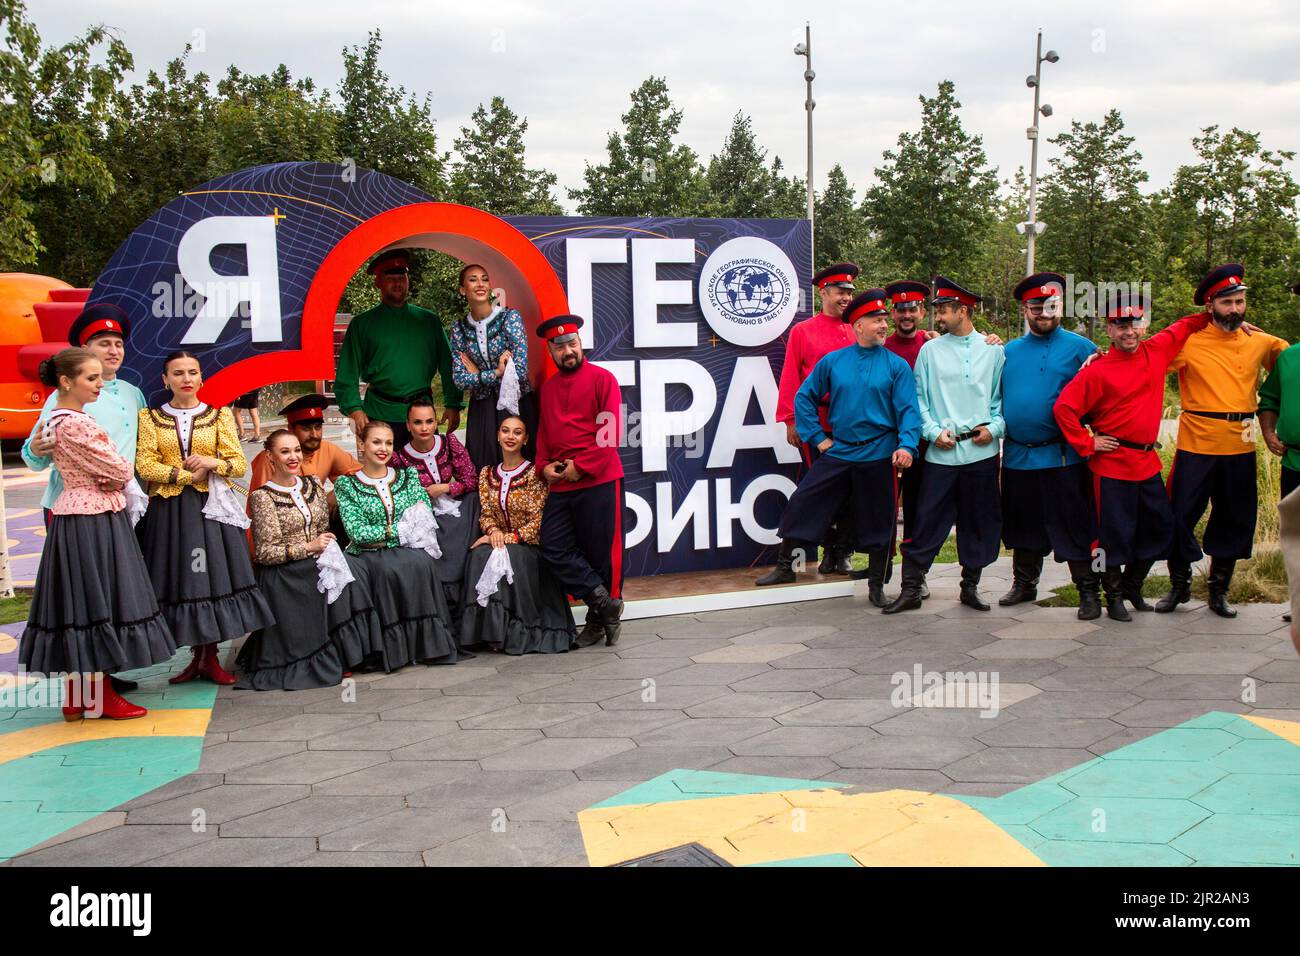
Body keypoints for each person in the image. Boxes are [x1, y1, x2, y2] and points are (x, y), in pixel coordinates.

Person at [20, 348, 176, 720]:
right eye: (91, 378)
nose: (99, 384)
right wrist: (114, 471)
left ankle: (78, 697)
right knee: (101, 599)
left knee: (80, 602)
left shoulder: (60, 418)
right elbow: (121, 469)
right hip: (94, 516)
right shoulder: (77, 422)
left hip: (73, 513)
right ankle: (100, 695)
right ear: (65, 381)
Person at [757, 290, 921, 606]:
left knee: (880, 518)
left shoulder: (896, 366)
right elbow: (803, 398)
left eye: (884, 319)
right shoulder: (834, 362)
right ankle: (784, 567)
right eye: (876, 320)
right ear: (858, 325)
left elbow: (908, 411)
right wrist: (818, 438)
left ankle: (876, 586)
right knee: (804, 501)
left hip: (879, 453)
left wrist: (908, 446)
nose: (884, 325)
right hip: (840, 450)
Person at [1054, 295, 1212, 621]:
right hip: (1111, 465)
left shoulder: (1157, 351)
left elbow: (1187, 325)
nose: (1129, 331)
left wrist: (1222, 320)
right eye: (1121, 325)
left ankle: (1131, 585)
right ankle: (1111, 597)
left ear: (1144, 325)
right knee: (1109, 536)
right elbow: (1064, 409)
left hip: (1147, 464)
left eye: (1134, 323)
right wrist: (1088, 441)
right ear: (1109, 330)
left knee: (1160, 528)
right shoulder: (1096, 371)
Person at [21, 303, 149, 693]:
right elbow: (33, 454)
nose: (112, 350)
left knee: (109, 593)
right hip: (74, 507)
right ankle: (89, 687)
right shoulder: (65, 400)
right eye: (102, 343)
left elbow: (139, 450)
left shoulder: (132, 393)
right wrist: (39, 447)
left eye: (117, 343)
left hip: (118, 506)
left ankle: (103, 676)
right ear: (85, 349)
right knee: (84, 595)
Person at [1157, 264, 1288, 618]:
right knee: (1180, 516)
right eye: (1227, 302)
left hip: (1240, 444)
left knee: (1233, 517)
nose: (1235, 309)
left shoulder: (1262, 342)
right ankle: (1178, 585)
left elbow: (1291, 372)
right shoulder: (1189, 342)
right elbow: (1146, 364)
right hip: (1195, 444)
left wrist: (1278, 428)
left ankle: (1219, 590)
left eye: (1239, 302)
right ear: (1210, 306)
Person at [135, 351, 274, 684]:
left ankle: (209, 656)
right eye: (178, 373)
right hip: (169, 511)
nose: (186, 378)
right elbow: (145, 465)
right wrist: (187, 476)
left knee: (211, 576)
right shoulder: (150, 417)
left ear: (201, 378)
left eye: (193, 372)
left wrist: (212, 464)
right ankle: (195, 656)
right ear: (165, 380)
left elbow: (237, 463)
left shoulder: (218, 415)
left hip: (210, 510)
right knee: (180, 577)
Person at [884, 277, 1005, 614]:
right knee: (926, 519)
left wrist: (994, 429)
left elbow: (1000, 402)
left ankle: (970, 587)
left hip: (980, 453)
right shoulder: (929, 350)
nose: (936, 317)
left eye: (943, 310)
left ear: (962, 310)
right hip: (940, 451)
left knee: (978, 520)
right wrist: (932, 431)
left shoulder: (994, 350)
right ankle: (910, 588)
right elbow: (917, 398)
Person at [237, 430, 380, 691]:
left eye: (296, 450)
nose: (293, 457)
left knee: (354, 571)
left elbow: (323, 527)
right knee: (319, 579)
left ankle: (349, 652)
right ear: (270, 457)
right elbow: (267, 553)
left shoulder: (314, 484)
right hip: (283, 572)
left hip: (316, 560)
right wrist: (309, 547)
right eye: (285, 452)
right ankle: (316, 655)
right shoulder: (262, 497)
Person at [998, 273, 1102, 616]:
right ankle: (1025, 584)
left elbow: (1102, 397)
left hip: (1062, 458)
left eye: (1050, 305)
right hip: (1016, 456)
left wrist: (1093, 438)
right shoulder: (1007, 352)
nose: (1043, 312)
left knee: (1073, 526)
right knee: (1023, 524)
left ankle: (1088, 591)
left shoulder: (1082, 348)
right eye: (1036, 306)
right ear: (1025, 309)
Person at [334, 421, 460, 669]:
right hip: (367, 555)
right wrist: (399, 531)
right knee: (388, 569)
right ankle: (391, 649)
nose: (383, 448)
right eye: (376, 442)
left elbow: (423, 519)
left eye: (388, 443)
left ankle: (423, 646)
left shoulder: (408, 476)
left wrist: (390, 536)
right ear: (362, 444)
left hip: (405, 549)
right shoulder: (347, 485)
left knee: (421, 562)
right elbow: (358, 533)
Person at [534, 315, 626, 648]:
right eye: (560, 347)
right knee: (553, 547)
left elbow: (611, 432)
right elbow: (543, 435)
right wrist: (543, 467)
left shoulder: (604, 379)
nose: (568, 351)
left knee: (602, 554)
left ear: (580, 343)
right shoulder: (548, 389)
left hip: (600, 479)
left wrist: (581, 467)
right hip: (560, 484)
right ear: (551, 351)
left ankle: (597, 622)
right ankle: (603, 602)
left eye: (572, 343)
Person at [460, 416, 577, 654]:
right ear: (497, 435)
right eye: (505, 431)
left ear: (525, 439)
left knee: (503, 556)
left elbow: (539, 521)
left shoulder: (536, 473)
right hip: (499, 540)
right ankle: (486, 633)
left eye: (517, 432)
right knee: (478, 554)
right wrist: (493, 532)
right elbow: (487, 513)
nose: (510, 436)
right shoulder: (486, 474)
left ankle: (513, 634)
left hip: (528, 546)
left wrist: (508, 538)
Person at [773, 263, 859, 576]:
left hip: (854, 427)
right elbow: (790, 376)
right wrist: (790, 420)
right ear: (823, 292)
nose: (846, 297)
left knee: (849, 492)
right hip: (817, 426)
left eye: (850, 291)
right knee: (819, 490)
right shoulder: (803, 331)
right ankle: (824, 548)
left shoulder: (858, 328)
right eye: (840, 291)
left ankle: (841, 553)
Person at [335, 249, 464, 449]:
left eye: (401, 276)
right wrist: (354, 408)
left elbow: (448, 365)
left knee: (428, 475)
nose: (397, 283)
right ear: (378, 282)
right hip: (380, 414)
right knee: (382, 476)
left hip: (422, 414)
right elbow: (347, 372)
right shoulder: (362, 324)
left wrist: (452, 403)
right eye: (390, 277)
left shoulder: (429, 321)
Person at [390, 398, 481, 621]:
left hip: (454, 507)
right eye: (418, 422)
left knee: (475, 501)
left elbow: (471, 479)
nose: (424, 428)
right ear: (408, 425)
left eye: (429, 421)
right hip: (426, 516)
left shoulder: (449, 443)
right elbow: (401, 496)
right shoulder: (400, 458)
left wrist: (447, 487)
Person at [449, 263, 536, 467]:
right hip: (482, 408)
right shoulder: (460, 328)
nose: (480, 284)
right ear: (463, 290)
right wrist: (497, 372)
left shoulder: (509, 318)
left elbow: (520, 372)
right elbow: (459, 379)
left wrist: (479, 375)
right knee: (482, 466)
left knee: (518, 466)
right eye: (473, 279)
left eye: (484, 279)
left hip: (515, 404)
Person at [1259, 281, 1300, 626]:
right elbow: (1269, 400)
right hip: (1295, 461)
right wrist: (1269, 431)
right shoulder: (1289, 357)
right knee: (1296, 538)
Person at [247, 393, 360, 493]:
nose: (314, 435)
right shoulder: (271, 458)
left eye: (318, 427)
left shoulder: (328, 449)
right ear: (291, 428)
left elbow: (361, 476)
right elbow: (258, 504)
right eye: (306, 429)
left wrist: (334, 497)